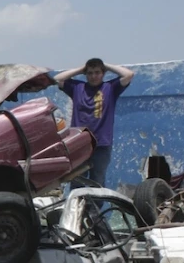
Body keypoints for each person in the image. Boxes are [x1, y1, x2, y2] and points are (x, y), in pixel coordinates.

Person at [55, 58, 134, 189]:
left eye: (97, 72)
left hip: (101, 144)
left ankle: (93, 209)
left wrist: (106, 65)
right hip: (79, 143)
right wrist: (82, 68)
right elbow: (58, 79)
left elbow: (129, 74)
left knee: (98, 180)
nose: (93, 76)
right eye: (90, 73)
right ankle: (78, 208)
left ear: (103, 73)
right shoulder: (77, 88)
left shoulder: (110, 88)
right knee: (77, 179)